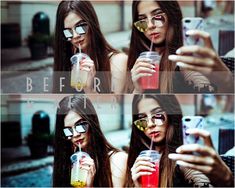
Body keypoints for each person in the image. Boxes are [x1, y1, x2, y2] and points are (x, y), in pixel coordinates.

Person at [125, 94, 234, 187]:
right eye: (142, 118)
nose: (150, 124)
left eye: (158, 115)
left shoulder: (183, 160)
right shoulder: (137, 158)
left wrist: (225, 179)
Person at [128, 0, 233, 93]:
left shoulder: (183, 61)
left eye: (158, 16)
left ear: (172, 16)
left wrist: (225, 79)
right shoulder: (138, 59)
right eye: (142, 20)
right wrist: (138, 90)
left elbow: (204, 86)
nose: (150, 25)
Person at [53, 0, 127, 93]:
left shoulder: (117, 62)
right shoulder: (67, 62)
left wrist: (89, 90)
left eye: (80, 27)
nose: (75, 36)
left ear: (92, 23)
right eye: (68, 32)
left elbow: (115, 107)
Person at [53, 95, 127, 187]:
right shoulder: (69, 164)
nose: (75, 134)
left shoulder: (117, 161)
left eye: (80, 125)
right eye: (68, 130)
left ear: (92, 122)